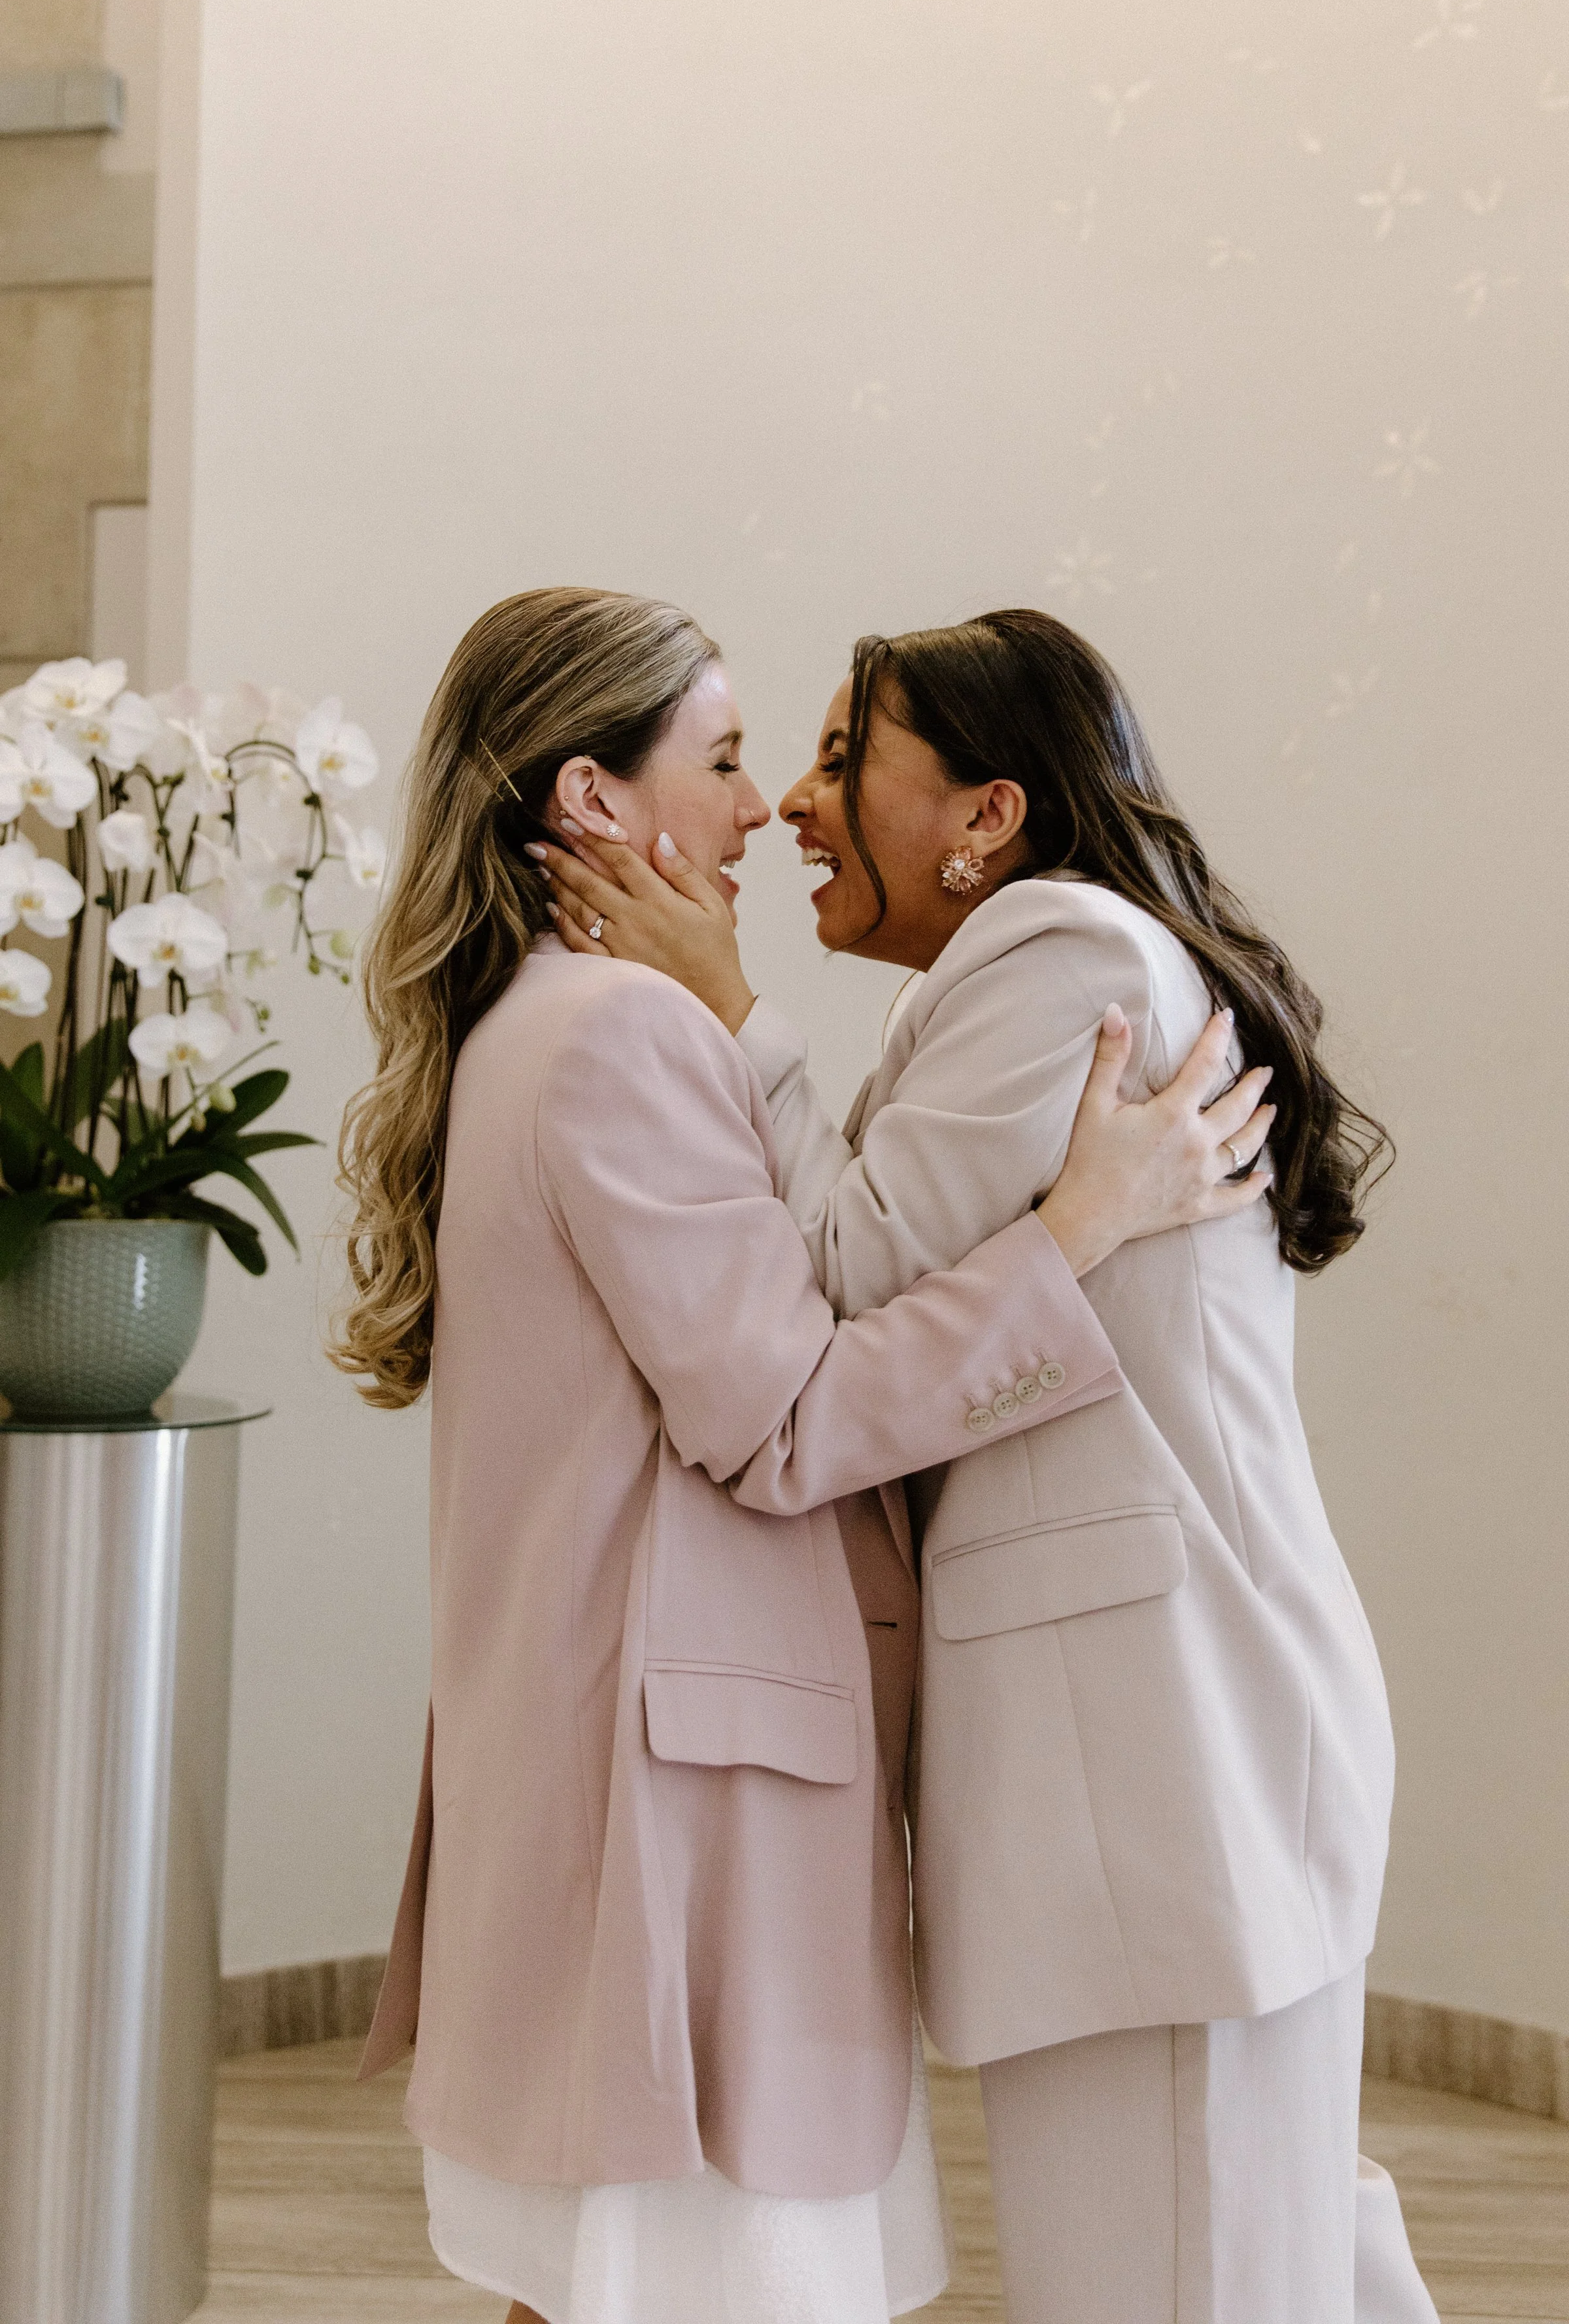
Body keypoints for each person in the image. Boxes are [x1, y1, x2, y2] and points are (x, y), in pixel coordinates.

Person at [330, 589, 1272, 2324]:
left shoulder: (531, 1025)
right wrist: (1078, 1227)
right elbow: (784, 1425)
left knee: (595, 2287)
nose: (763, 807)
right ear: (596, 803)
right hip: (685, 1813)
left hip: (628, 1778)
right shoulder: (620, 1036)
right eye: (731, 759)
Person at [535, 607, 1441, 2323]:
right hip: (1175, 1755)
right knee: (1263, 2245)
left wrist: (726, 1004)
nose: (792, 805)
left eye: (833, 759)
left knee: (1183, 2276)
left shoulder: (1059, 951)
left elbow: (831, 1280)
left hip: (1166, 1759)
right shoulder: (1036, 970)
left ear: (985, 819)